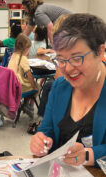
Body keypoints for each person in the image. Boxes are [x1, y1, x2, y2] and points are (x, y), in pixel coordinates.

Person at [30, 13, 106, 167]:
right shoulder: (59, 87)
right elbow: (47, 128)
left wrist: (88, 154)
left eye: (77, 58)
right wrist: (41, 140)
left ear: (100, 52)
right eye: (60, 59)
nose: (68, 69)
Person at [8, 33, 38, 119]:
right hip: (18, 86)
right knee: (37, 87)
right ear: (25, 49)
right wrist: (34, 86)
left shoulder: (13, 55)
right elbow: (29, 75)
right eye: (28, 49)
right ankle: (30, 106)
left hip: (11, 85)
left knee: (28, 83)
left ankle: (25, 104)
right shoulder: (23, 58)